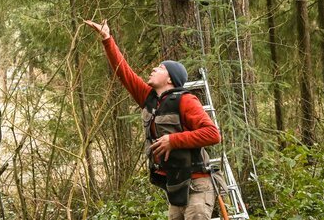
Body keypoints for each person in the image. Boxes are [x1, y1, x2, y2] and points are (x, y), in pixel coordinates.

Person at [84, 19, 221, 220]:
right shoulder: (148, 99)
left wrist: (172, 140)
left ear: (170, 79)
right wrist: (107, 39)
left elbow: (213, 134)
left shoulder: (186, 101)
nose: (154, 69)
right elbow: (124, 72)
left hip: (197, 183)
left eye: (160, 67)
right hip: (176, 187)